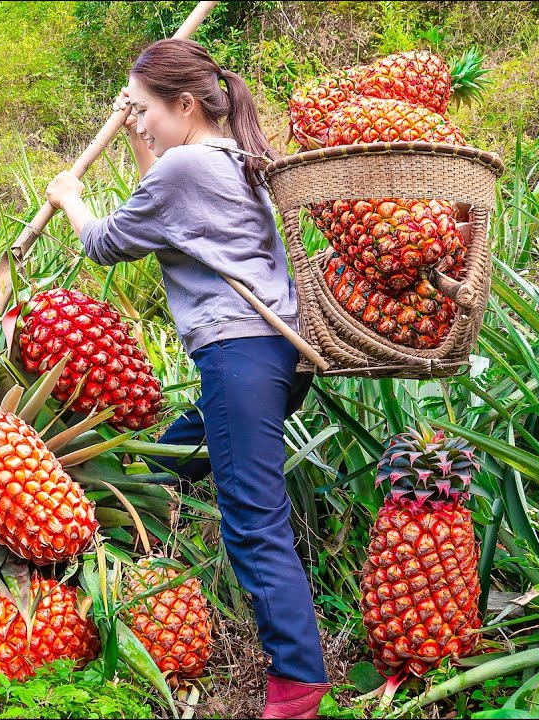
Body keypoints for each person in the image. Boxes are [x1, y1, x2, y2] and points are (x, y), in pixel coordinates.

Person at [45, 39, 330, 719]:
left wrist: (69, 196)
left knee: (253, 524)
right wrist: (136, 142)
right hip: (275, 360)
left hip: (238, 359)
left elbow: (110, 243)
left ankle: (299, 683)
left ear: (183, 104)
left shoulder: (188, 171)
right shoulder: (229, 157)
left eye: (145, 111)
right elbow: (164, 204)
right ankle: (132, 526)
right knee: (162, 465)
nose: (137, 123)